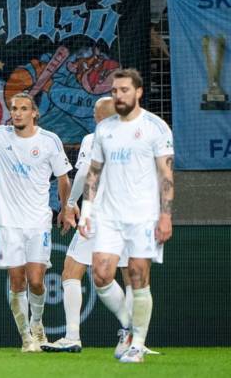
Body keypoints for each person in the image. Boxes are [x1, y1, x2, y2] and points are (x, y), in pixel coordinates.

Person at [78, 68, 174, 363]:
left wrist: (165, 215)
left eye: (124, 90)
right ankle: (128, 326)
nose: (118, 96)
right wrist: (86, 211)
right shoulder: (104, 129)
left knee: (138, 276)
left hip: (143, 215)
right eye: (114, 91)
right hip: (108, 215)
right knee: (101, 274)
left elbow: (166, 175)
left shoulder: (156, 127)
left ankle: (137, 345)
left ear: (138, 92)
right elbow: (93, 173)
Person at [0, 92, 72, 352]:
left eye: (23, 108)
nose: (17, 113)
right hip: (9, 223)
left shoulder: (49, 141)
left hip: (39, 222)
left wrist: (66, 208)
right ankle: (26, 337)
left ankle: (37, 324)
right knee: (17, 282)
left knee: (36, 281)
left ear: (34, 113)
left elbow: (64, 179)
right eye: (14, 108)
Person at [42, 97, 135, 353]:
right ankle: (134, 339)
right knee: (129, 276)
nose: (93, 115)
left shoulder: (93, 139)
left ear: (100, 117)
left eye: (95, 112)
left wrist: (71, 203)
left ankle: (73, 336)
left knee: (71, 271)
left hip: (100, 214)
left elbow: (84, 173)